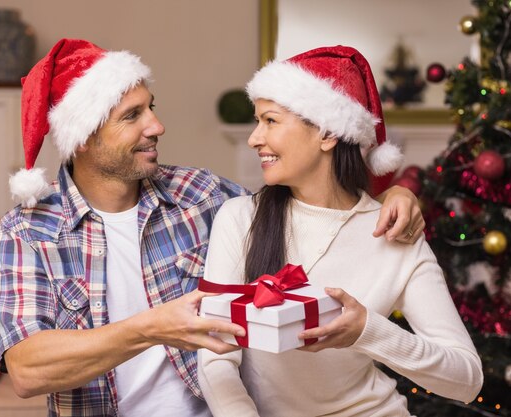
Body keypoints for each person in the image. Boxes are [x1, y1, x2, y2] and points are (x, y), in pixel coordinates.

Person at [0, 39, 425, 417]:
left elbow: (310, 201)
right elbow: (28, 370)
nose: (156, 126)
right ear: (83, 136)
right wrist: (149, 328)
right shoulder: (29, 230)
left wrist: (392, 197)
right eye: (132, 116)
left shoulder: (202, 194)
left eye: (151, 108)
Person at [198, 45, 484, 417]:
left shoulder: (394, 234)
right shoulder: (239, 219)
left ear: (328, 133)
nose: (254, 138)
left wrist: (369, 330)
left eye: (270, 121)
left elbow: (467, 378)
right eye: (257, 121)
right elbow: (215, 355)